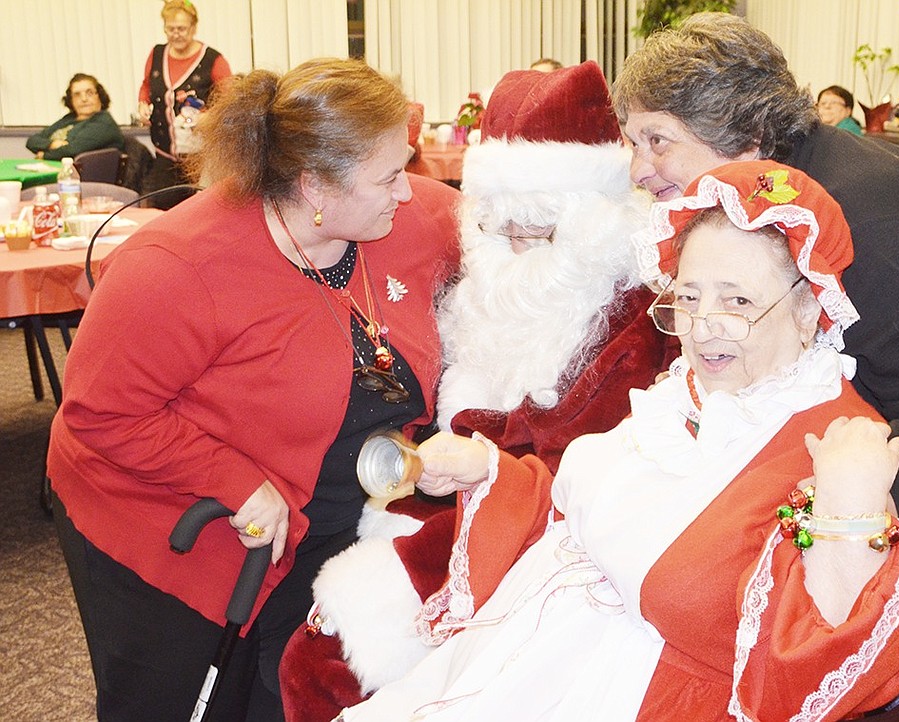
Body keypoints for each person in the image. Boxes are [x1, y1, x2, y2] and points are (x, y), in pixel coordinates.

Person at [333, 160, 899, 721]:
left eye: (739, 301)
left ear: (809, 308)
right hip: (530, 663)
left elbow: (804, 678)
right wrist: (489, 471)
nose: (704, 328)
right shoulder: (682, 396)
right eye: (689, 298)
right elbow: (589, 511)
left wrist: (850, 514)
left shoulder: (838, 448)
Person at [611, 13, 899, 722]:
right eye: (632, 141)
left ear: (743, 134)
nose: (639, 169)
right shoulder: (761, 195)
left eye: (657, 141)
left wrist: (846, 514)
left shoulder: (870, 214)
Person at [48, 57, 460, 721]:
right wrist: (233, 478)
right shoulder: (174, 268)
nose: (407, 192)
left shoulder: (397, 217)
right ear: (315, 186)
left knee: (291, 695)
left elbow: (502, 221)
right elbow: (102, 414)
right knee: (185, 701)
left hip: (320, 521)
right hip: (170, 524)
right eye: (389, 177)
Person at [278, 60, 670, 722]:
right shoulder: (484, 278)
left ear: (591, 223)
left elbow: (580, 463)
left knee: (328, 665)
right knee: (313, 652)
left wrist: (467, 460)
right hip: (450, 501)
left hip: (550, 537)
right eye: (498, 226)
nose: (512, 247)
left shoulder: (630, 314)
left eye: (537, 230)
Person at [137, 0, 232, 208]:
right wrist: (143, 104)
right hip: (164, 155)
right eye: (170, 29)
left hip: (199, 159)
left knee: (198, 212)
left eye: (181, 28)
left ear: (194, 28)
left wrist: (210, 116)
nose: (176, 34)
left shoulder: (213, 60)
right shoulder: (157, 54)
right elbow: (146, 86)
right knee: (163, 211)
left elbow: (230, 102)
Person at [25, 73, 125, 160]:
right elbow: (32, 141)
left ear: (99, 96)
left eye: (89, 93)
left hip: (86, 179)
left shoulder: (103, 122)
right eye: (77, 95)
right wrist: (53, 144)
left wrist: (44, 155)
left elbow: (72, 150)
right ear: (71, 100)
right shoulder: (69, 119)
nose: (84, 99)